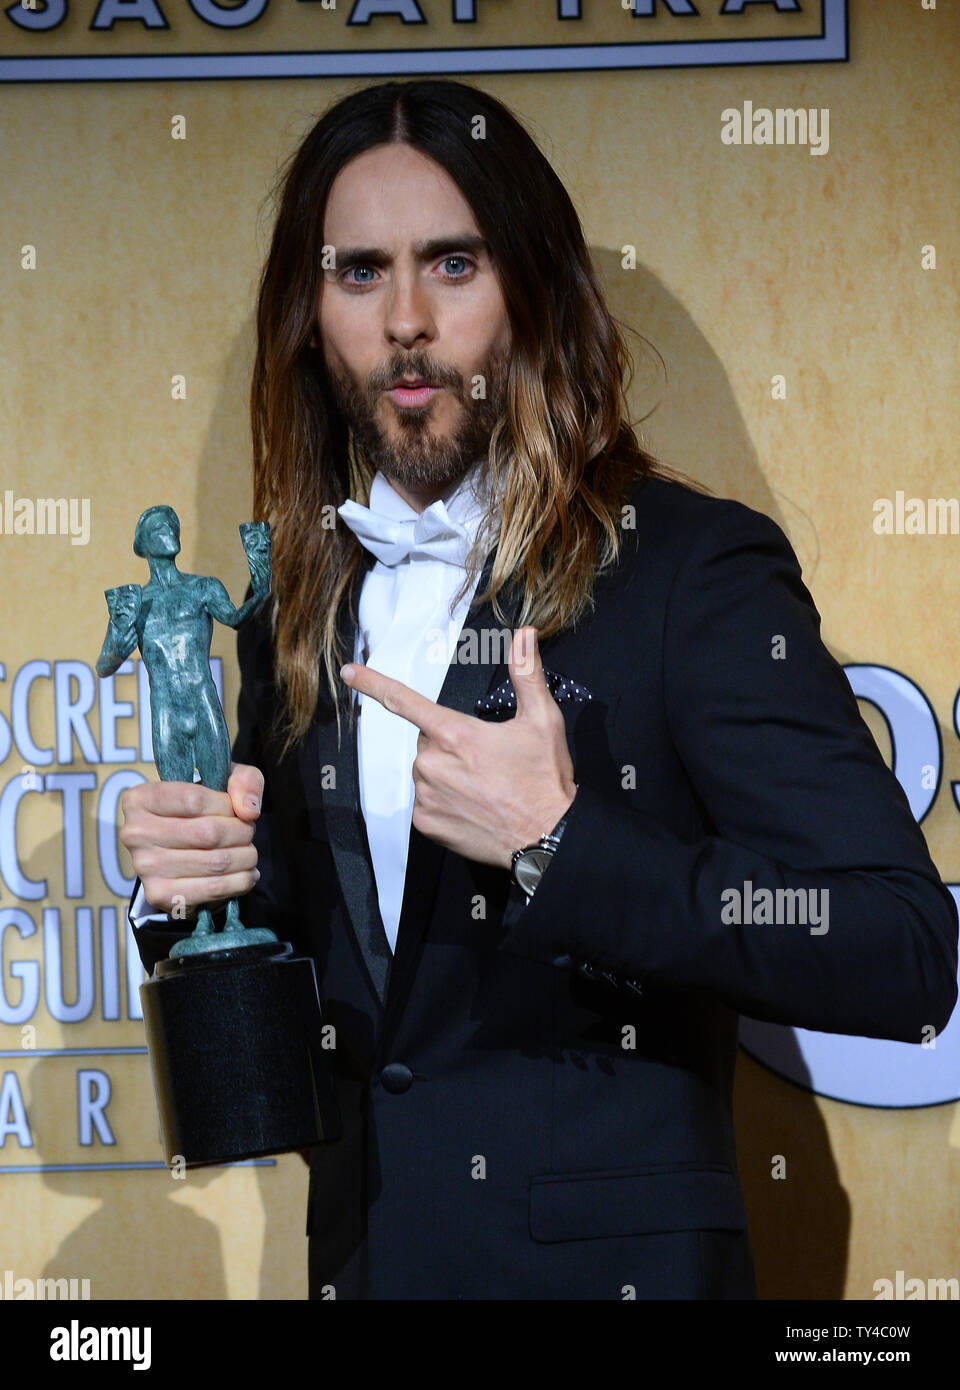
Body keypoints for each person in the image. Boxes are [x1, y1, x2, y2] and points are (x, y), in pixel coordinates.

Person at [122, 78, 958, 1300]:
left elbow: (895, 946)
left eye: (452, 265)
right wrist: (194, 890)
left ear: (532, 290)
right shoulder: (298, 601)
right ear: (309, 311)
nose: (406, 319)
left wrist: (562, 847)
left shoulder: (686, 571)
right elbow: (348, 990)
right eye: (360, 272)